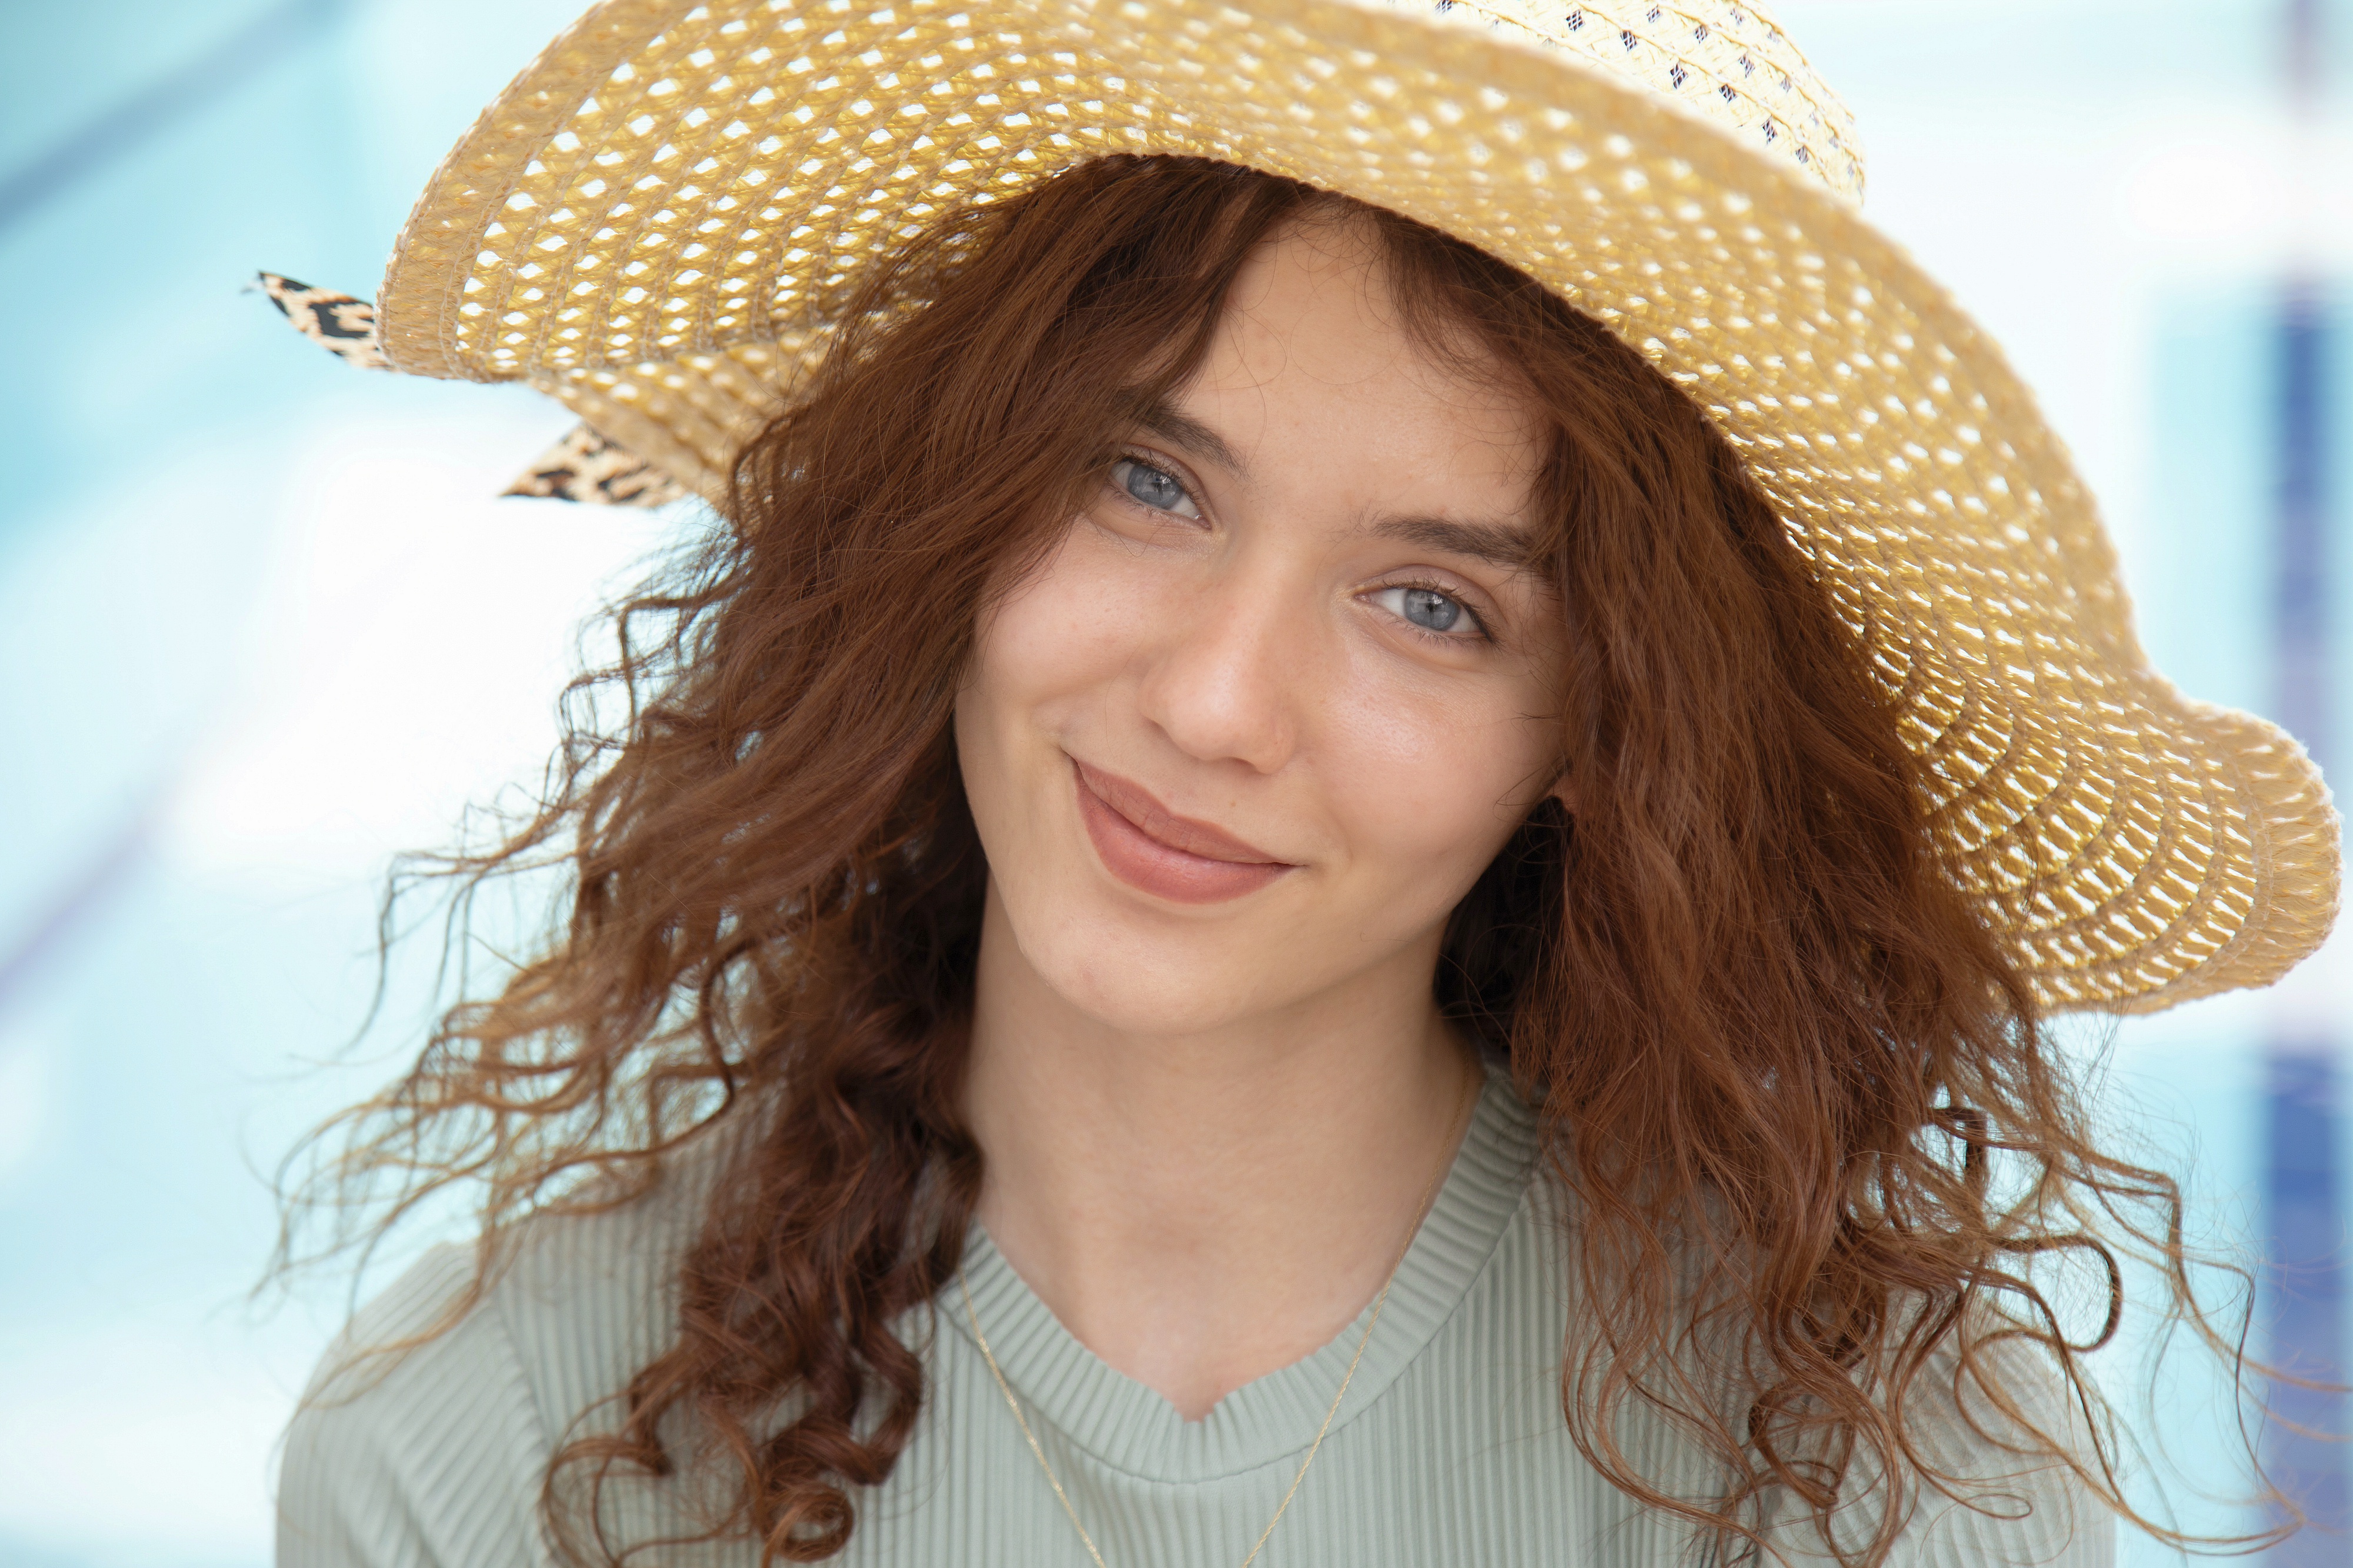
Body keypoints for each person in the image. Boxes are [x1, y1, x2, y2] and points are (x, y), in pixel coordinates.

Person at [269, 2, 2338, 1565]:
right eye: (1146, 480)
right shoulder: (497, 1438)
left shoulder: (1875, 1479)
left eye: (1435, 604)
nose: (1221, 700)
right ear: (956, 510)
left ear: (1610, 743)